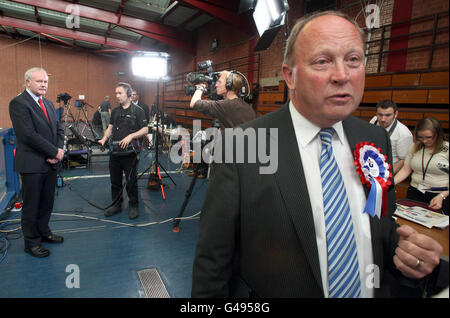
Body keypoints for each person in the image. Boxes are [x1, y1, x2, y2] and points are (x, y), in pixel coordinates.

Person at [191, 11, 443, 298]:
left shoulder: (375, 139)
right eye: (322, 61)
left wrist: (405, 252)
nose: (342, 75)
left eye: (353, 60)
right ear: (290, 76)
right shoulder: (243, 145)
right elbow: (212, 264)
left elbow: (381, 223)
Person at [9, 67, 65, 258]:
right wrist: (54, 151)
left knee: (47, 202)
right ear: (28, 82)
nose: (43, 85)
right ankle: (31, 242)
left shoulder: (48, 104)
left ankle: (44, 232)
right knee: (32, 205)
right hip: (32, 164)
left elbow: (59, 129)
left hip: (50, 163)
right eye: (39, 81)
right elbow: (28, 135)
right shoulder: (18, 103)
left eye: (45, 82)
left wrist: (58, 151)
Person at [98, 83, 148, 219]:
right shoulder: (114, 111)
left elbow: (145, 129)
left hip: (130, 154)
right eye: (116, 93)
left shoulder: (138, 111)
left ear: (129, 94)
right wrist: (103, 138)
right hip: (115, 152)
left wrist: (131, 136)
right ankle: (116, 204)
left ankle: (133, 205)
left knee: (131, 181)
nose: (117, 96)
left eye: (120, 93)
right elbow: (110, 127)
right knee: (115, 181)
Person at [394, 117, 449, 215]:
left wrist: (442, 196)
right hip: (415, 191)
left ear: (438, 134)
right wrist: (390, 183)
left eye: (429, 137)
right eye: (421, 137)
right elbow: (406, 170)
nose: (424, 141)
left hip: (439, 194)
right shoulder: (414, 147)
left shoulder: (447, 149)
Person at [189, 70, 255, 129]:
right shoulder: (248, 107)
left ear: (229, 85)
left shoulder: (226, 105)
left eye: (220, 82)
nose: (216, 85)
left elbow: (194, 103)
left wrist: (200, 87)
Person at [370, 100, 413, 174]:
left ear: (395, 114)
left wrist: (387, 175)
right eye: (380, 115)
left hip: (388, 171)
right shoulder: (374, 120)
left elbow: (403, 160)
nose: (383, 119)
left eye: (388, 115)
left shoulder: (404, 134)